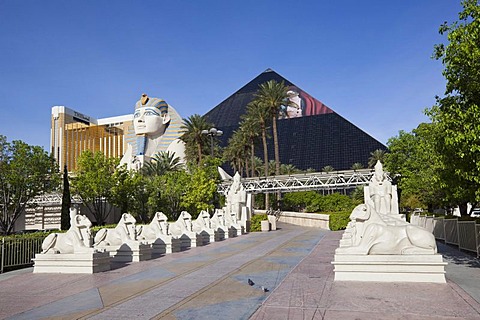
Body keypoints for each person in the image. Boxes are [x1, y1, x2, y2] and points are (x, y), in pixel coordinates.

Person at [119, 93, 185, 170]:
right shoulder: (131, 149)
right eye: (137, 115)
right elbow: (118, 176)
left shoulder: (177, 144)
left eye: (148, 113)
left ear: (165, 118)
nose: (140, 119)